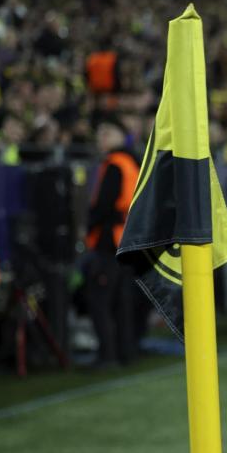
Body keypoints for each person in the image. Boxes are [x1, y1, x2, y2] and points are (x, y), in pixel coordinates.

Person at [84, 117, 140, 366]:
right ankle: (126, 351)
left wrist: (88, 225)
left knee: (100, 300)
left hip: (110, 240)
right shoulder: (132, 162)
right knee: (122, 300)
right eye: (100, 133)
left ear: (120, 136)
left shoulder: (115, 164)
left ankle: (107, 354)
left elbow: (104, 205)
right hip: (128, 239)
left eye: (107, 132)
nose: (101, 138)